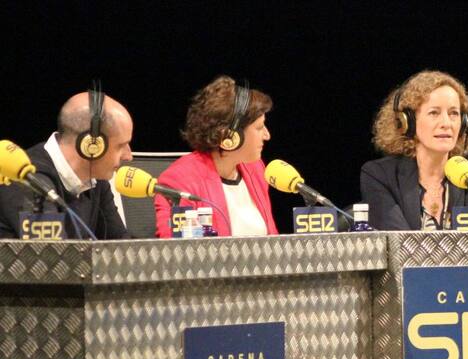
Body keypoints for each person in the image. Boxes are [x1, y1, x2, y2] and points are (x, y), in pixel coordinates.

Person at [360, 70, 468, 230]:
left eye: (454, 113)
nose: (446, 123)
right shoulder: (380, 175)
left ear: (463, 124)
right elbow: (397, 241)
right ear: (407, 123)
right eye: (434, 113)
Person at [0, 89, 133, 239]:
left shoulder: (95, 179)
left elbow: (121, 244)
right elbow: (52, 252)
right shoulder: (30, 181)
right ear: (91, 146)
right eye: (121, 146)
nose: (128, 156)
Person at [155, 76, 278, 237]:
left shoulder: (255, 169)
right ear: (230, 136)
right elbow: (175, 249)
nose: (267, 135)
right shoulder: (180, 181)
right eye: (259, 127)